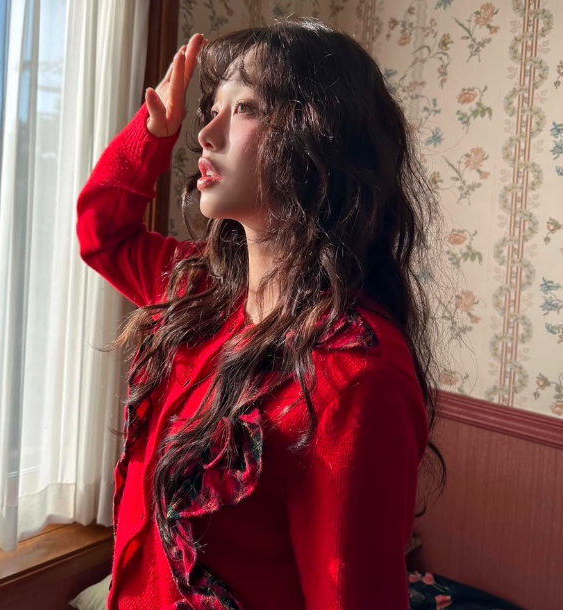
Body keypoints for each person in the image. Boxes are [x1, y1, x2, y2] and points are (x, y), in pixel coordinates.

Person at [76, 16, 446, 610]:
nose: (206, 134)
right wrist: (152, 133)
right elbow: (102, 234)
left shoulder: (353, 374)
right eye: (211, 110)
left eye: (245, 108)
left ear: (318, 138)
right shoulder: (199, 290)